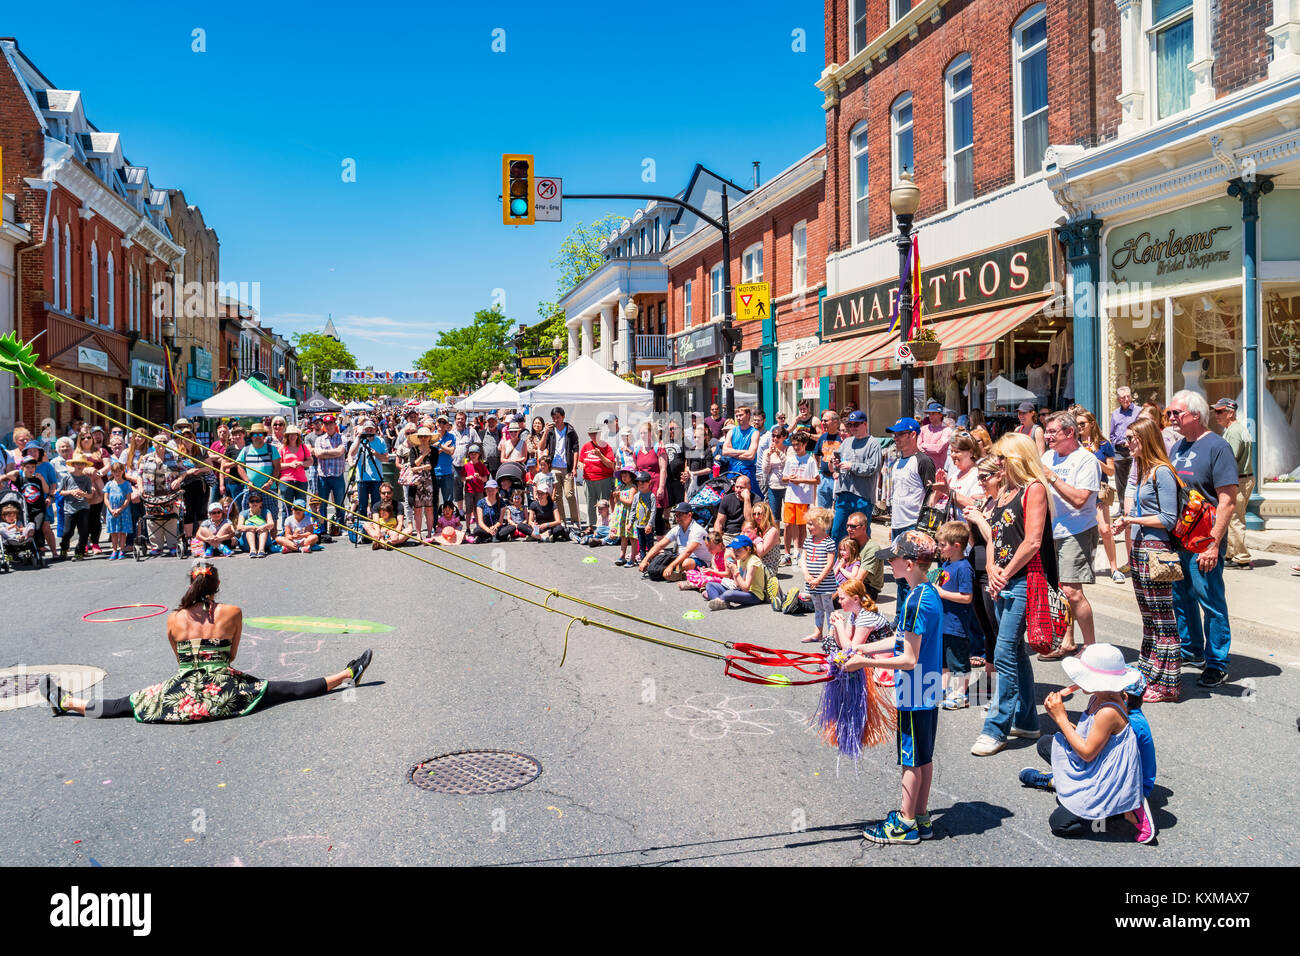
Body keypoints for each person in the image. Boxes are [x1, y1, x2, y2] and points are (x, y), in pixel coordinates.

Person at [40, 562, 373, 722]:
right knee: (287, 689)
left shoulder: (173, 618)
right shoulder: (232, 612)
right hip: (223, 692)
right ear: (217, 584)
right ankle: (347, 674)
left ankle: (68, 703)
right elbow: (231, 655)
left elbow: (180, 661)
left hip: (182, 695)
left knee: (127, 703)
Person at [842, 531, 943, 844]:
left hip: (913, 692)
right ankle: (922, 816)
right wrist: (864, 651)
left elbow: (908, 658)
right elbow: (901, 639)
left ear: (909, 563)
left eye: (894, 560)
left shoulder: (916, 601)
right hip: (928, 688)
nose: (890, 564)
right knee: (923, 756)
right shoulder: (927, 593)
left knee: (910, 759)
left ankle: (905, 822)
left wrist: (865, 664)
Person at [965, 433, 1054, 757]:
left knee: (1003, 653)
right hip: (1002, 580)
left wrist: (1004, 572)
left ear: (1016, 457)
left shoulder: (1035, 489)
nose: (998, 463)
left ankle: (996, 728)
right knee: (1014, 651)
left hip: (1020, 582)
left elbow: (1032, 541)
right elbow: (994, 537)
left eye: (1002, 457)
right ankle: (1028, 720)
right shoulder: (1005, 492)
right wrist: (991, 567)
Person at [1039, 645, 1154, 843]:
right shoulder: (1098, 696)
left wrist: (1061, 718)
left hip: (1104, 776)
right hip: (1096, 761)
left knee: (1058, 823)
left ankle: (1117, 811)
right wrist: (1059, 718)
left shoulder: (1108, 711)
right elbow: (1090, 737)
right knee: (1045, 744)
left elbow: (1086, 753)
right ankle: (1067, 784)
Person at [1164, 390, 1238, 688]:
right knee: (1181, 598)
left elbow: (1227, 500)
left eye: (1176, 413)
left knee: (1211, 601)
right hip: (1180, 538)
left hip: (1204, 540)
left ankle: (1217, 661)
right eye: (1169, 413)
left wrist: (1213, 543)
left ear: (1195, 414)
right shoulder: (1178, 447)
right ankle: (1191, 650)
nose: (1170, 418)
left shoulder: (1217, 447)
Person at [1112, 417, 1182, 703]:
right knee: (1149, 616)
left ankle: (1169, 684)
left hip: (1157, 550)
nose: (1127, 443)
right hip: (1142, 547)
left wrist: (1131, 519)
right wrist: (1129, 521)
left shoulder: (1162, 472)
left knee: (1163, 617)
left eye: (1132, 439)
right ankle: (1150, 671)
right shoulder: (1141, 469)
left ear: (1146, 439)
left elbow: (1168, 518)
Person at [1038, 411, 1101, 658]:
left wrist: (1051, 476)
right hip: (1050, 531)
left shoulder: (1085, 460)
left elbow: (1079, 499)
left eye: (1053, 431)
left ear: (1070, 433)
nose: (1048, 435)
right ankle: (1066, 640)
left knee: (1072, 591)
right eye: (1047, 430)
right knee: (1057, 589)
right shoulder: (1047, 456)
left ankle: (1091, 646)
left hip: (1076, 530)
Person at [885, 417, 936, 605]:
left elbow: (931, 494)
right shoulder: (898, 462)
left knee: (911, 575)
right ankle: (900, 617)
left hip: (913, 524)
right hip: (898, 524)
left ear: (913, 435)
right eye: (894, 435)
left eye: (900, 434)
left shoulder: (923, 461)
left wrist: (922, 528)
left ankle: (911, 614)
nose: (895, 438)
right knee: (899, 574)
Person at [1077, 410, 1125, 583]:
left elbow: (1111, 470)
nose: (1079, 427)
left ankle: (1114, 568)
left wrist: (1094, 459)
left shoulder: (1104, 445)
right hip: (1079, 491)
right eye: (1077, 424)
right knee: (1083, 531)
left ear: (1092, 423)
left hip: (1099, 491)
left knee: (1104, 530)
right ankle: (1085, 567)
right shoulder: (1074, 444)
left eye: (1082, 423)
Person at [934, 521, 977, 710]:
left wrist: (941, 593)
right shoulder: (946, 564)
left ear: (956, 546)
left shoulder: (964, 568)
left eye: (943, 545)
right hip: (943, 622)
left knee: (958, 661)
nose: (939, 548)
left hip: (956, 624)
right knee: (943, 659)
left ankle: (961, 694)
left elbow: (967, 597)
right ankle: (943, 688)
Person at [1213, 398, 1254, 569]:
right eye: (1215, 412)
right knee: (1232, 518)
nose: (1216, 415)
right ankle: (1231, 553)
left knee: (1235, 519)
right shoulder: (1235, 429)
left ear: (1230, 412)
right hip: (1242, 478)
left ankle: (1242, 557)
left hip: (1239, 479)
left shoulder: (1234, 432)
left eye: (1220, 412)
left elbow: (1230, 457)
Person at [829, 410, 882, 541]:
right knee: (837, 532)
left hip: (862, 496)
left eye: (856, 425)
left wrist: (852, 466)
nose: (853, 428)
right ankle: (838, 560)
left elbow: (873, 468)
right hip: (843, 494)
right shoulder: (846, 442)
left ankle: (863, 560)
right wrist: (835, 462)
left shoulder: (873, 443)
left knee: (860, 534)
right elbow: (838, 466)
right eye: (850, 425)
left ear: (865, 424)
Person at [640, 501, 712, 580]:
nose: (677, 518)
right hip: (681, 557)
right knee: (659, 556)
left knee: (685, 563)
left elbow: (687, 552)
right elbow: (660, 545)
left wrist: (671, 566)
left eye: (680, 515)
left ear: (689, 515)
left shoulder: (697, 531)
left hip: (700, 561)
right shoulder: (677, 529)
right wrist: (645, 560)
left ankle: (677, 573)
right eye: (676, 515)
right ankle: (675, 572)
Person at [799, 507, 838, 645]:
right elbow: (802, 559)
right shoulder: (808, 541)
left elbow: (830, 563)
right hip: (811, 581)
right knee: (818, 607)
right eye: (808, 523)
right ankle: (818, 632)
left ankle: (832, 634)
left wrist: (819, 579)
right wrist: (807, 575)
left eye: (811, 524)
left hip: (824, 582)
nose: (808, 527)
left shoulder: (829, 542)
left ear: (822, 524)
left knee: (829, 608)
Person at [780, 429, 818, 562]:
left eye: (798, 445)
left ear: (805, 444)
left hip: (804, 497)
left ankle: (800, 552)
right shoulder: (790, 459)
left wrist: (801, 480)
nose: (796, 447)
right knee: (788, 525)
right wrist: (789, 478)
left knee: (802, 525)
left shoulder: (810, 460)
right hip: (791, 496)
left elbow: (816, 480)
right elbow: (784, 478)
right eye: (794, 445)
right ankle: (786, 554)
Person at [703, 533, 767, 610]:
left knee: (729, 594)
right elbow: (737, 584)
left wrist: (735, 571)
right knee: (710, 585)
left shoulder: (753, 561)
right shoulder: (740, 559)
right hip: (740, 590)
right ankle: (721, 601)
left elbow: (746, 588)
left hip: (754, 595)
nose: (735, 552)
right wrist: (733, 570)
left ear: (748, 548)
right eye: (734, 549)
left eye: (738, 550)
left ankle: (717, 599)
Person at [58, 453, 101, 560]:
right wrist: (71, 492)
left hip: (83, 507)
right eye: (77, 463)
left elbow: (90, 495)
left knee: (83, 531)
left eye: (82, 464)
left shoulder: (86, 479)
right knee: (68, 531)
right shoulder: (67, 477)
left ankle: (80, 552)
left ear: (85, 465)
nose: (80, 465)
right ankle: (64, 548)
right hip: (69, 508)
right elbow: (60, 492)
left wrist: (83, 494)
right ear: (73, 464)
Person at [544, 406, 580, 526]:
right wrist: (545, 433)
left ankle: (575, 520)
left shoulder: (570, 431)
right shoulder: (551, 431)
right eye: (554, 418)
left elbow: (575, 450)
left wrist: (574, 467)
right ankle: (562, 520)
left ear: (563, 416)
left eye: (558, 417)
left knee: (569, 494)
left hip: (567, 467)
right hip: (553, 467)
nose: (555, 420)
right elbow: (542, 447)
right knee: (557, 496)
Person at [312, 416, 348, 538]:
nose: (328, 426)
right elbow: (318, 454)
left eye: (330, 423)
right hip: (323, 476)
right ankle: (322, 528)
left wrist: (325, 453)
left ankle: (341, 526)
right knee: (322, 504)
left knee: (339, 503)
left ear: (335, 424)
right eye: (326, 424)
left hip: (337, 475)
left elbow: (341, 452)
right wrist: (333, 452)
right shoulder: (319, 439)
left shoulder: (342, 437)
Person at [1108, 386, 1141, 515]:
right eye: (1123, 397)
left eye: (1128, 396)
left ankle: (1134, 508)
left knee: (1135, 479)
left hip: (1134, 449)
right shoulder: (1115, 413)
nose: (1126, 399)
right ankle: (1122, 509)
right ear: (1118, 399)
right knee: (1120, 482)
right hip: (1119, 450)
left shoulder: (1139, 411)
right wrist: (1115, 444)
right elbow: (1112, 433)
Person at [348, 420, 388, 522]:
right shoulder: (360, 440)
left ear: (375, 430)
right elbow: (352, 453)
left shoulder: (380, 441)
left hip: (376, 478)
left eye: (371, 429)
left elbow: (386, 459)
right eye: (367, 429)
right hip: (362, 478)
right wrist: (358, 437)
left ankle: (376, 525)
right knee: (362, 505)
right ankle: (363, 527)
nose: (369, 431)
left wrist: (376, 454)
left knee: (376, 505)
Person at [578, 423, 616, 530]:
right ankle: (591, 525)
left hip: (603, 479)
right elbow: (580, 460)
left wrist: (600, 455)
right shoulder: (586, 446)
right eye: (591, 434)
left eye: (596, 434)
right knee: (590, 504)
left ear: (600, 434)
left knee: (603, 504)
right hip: (588, 479)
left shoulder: (606, 446)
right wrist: (580, 465)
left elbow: (610, 464)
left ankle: (603, 525)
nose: (593, 436)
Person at [403, 426, 437, 541]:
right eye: (421, 436)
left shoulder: (435, 450)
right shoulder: (414, 450)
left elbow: (431, 466)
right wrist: (423, 455)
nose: (423, 438)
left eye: (425, 436)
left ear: (429, 438)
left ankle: (428, 533)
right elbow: (413, 466)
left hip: (429, 483)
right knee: (417, 509)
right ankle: (418, 534)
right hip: (416, 483)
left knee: (429, 509)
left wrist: (419, 466)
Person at [633, 421, 669, 527]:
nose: (643, 435)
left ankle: (659, 541)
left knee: (657, 517)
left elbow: (663, 469)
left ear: (651, 433)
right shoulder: (637, 450)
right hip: (642, 488)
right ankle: (646, 542)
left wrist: (661, 487)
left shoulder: (659, 448)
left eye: (645, 433)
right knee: (643, 516)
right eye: (641, 433)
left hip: (655, 486)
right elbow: (635, 469)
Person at [843, 511, 884, 600]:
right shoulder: (851, 543)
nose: (849, 529)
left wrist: (836, 594)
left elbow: (859, 579)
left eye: (853, 526)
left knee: (828, 600)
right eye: (847, 526)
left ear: (864, 528)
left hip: (867, 588)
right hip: (849, 582)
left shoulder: (872, 548)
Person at [721, 405, 759, 487]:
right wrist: (743, 451)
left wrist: (733, 454)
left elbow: (751, 455)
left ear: (748, 415)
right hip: (732, 469)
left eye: (741, 415)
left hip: (747, 469)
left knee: (751, 496)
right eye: (737, 416)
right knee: (730, 495)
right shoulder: (732, 431)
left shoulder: (754, 432)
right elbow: (724, 451)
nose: (738, 418)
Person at [712, 474, 754, 544]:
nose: (738, 490)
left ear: (749, 488)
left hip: (746, 533)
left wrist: (747, 499)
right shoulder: (727, 499)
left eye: (742, 488)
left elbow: (749, 520)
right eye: (737, 487)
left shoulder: (755, 499)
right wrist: (718, 539)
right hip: (728, 535)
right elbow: (719, 522)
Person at [812, 411, 842, 508]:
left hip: (838, 479)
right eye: (822, 420)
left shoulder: (842, 438)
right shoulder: (823, 437)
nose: (823, 423)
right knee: (823, 512)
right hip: (823, 478)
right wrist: (816, 472)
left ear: (835, 422)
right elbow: (816, 454)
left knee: (838, 510)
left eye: (825, 421)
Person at [760, 423, 788, 522]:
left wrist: (779, 453)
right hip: (773, 486)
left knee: (789, 518)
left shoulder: (788, 450)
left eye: (778, 436)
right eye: (773, 435)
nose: (775, 438)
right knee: (774, 518)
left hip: (788, 487)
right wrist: (768, 456)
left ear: (784, 437)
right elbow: (765, 471)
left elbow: (788, 465)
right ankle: (776, 536)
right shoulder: (766, 452)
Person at [610, 467, 638, 566]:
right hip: (621, 515)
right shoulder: (620, 487)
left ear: (631, 476)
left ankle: (633, 558)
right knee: (623, 536)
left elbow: (630, 502)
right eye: (622, 476)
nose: (624, 477)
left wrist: (619, 497)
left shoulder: (633, 488)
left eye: (626, 475)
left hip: (629, 514)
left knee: (632, 537)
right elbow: (616, 502)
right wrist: (615, 497)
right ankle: (622, 556)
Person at [236, 491, 276, 557]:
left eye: (257, 501)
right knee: (249, 528)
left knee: (264, 528)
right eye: (252, 501)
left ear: (261, 503)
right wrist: (250, 528)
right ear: (249, 503)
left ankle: (261, 550)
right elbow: (239, 527)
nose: (255, 503)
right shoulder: (243, 513)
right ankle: (252, 550)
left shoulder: (266, 511)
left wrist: (263, 527)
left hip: (264, 541)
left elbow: (271, 524)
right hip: (247, 543)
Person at [918, 400, 953, 471]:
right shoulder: (923, 429)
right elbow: (918, 447)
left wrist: (923, 445)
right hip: (923, 469)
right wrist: (932, 447)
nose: (930, 416)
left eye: (933, 413)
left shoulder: (947, 430)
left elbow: (938, 449)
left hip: (939, 470)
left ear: (940, 415)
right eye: (929, 414)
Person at [632, 470, 656, 560]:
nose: (640, 484)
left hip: (648, 526)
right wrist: (630, 522)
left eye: (643, 482)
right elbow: (633, 510)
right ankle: (643, 562)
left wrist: (650, 524)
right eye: (638, 482)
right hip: (639, 525)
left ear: (649, 482)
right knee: (641, 546)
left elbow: (653, 511)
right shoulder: (636, 496)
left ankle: (650, 563)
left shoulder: (651, 496)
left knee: (650, 546)